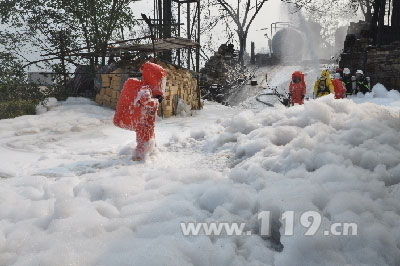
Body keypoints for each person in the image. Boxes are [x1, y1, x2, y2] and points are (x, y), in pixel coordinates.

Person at [113, 61, 166, 161]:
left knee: (150, 139)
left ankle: (150, 154)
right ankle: (138, 158)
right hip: (143, 123)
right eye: (159, 80)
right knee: (143, 141)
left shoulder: (150, 89)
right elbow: (145, 101)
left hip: (149, 123)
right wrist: (156, 101)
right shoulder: (145, 89)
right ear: (153, 78)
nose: (161, 83)